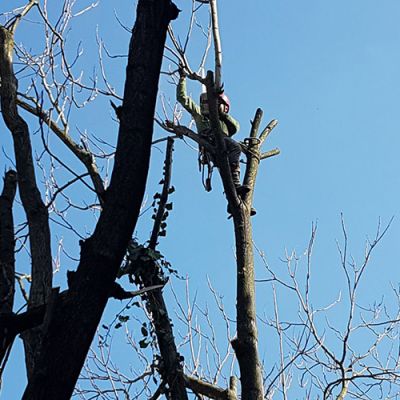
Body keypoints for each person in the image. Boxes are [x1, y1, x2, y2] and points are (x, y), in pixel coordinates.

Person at [176, 69, 250, 197]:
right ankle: (236, 189)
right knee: (235, 148)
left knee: (227, 171)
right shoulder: (200, 115)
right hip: (210, 146)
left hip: (224, 149)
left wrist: (223, 116)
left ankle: (234, 200)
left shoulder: (225, 121)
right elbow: (182, 98)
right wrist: (182, 79)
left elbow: (236, 127)